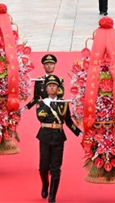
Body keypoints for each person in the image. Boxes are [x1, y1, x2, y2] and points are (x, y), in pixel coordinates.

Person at [36, 74, 80, 203]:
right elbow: (40, 117)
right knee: (43, 167)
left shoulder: (63, 103)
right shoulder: (41, 102)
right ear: (46, 88)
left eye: (54, 85)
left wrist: (79, 133)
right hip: (45, 136)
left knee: (56, 168)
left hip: (58, 136)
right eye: (49, 86)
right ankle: (45, 184)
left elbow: (68, 122)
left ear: (58, 88)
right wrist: (47, 104)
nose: (52, 88)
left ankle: (52, 196)